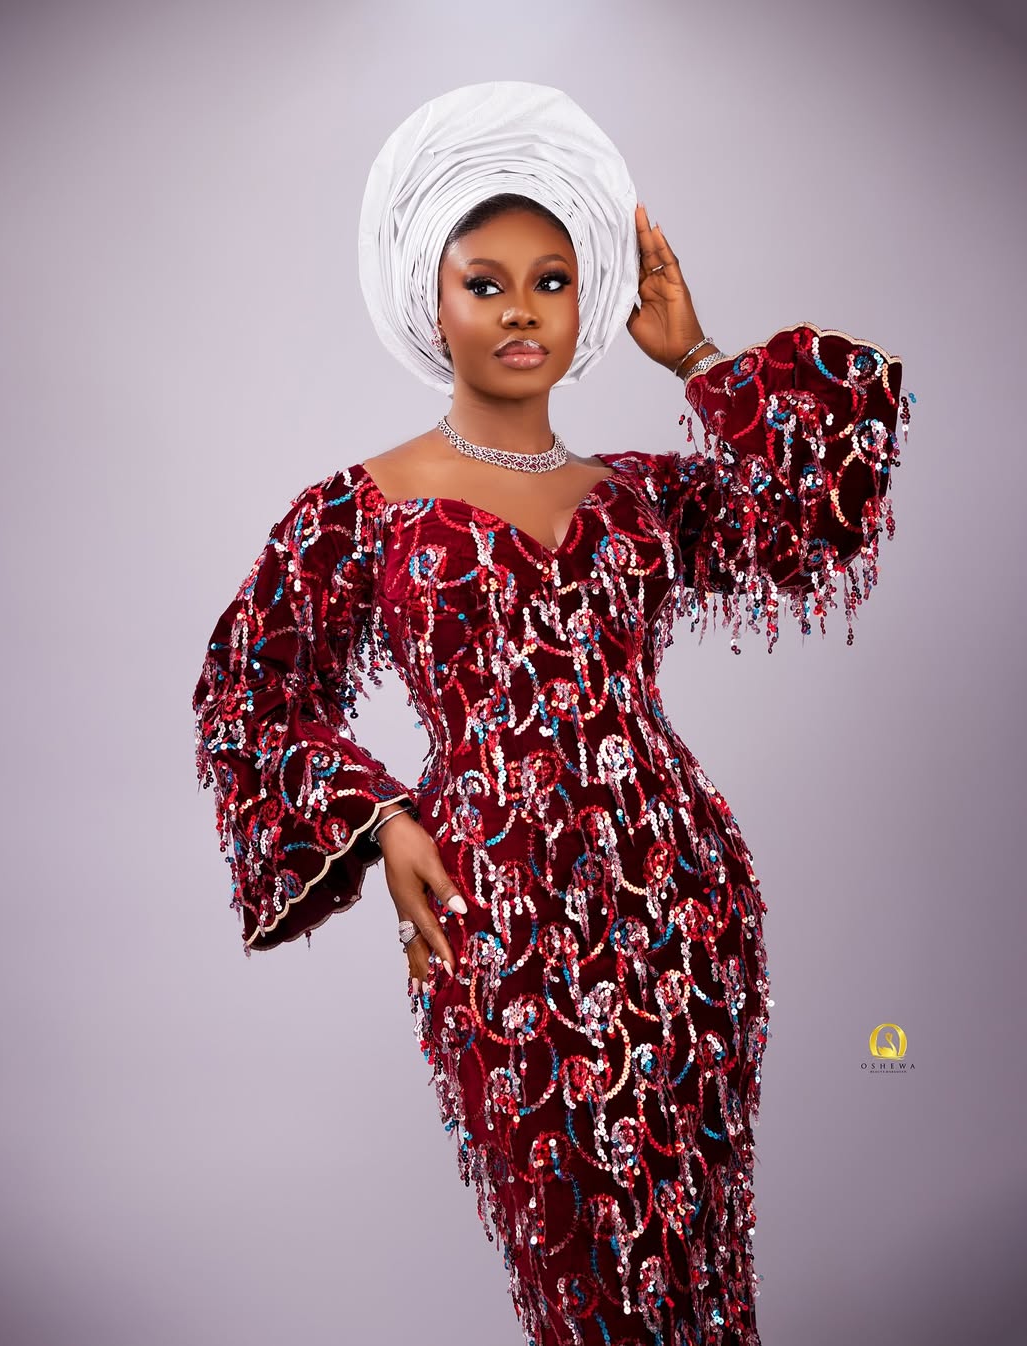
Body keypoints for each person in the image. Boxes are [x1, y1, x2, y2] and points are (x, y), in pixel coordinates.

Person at [191, 82, 910, 1346]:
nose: (521, 309)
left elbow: (815, 508)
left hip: (681, 902)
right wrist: (383, 817)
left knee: (698, 1252)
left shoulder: (637, 495)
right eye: (486, 283)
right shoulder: (359, 511)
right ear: (432, 299)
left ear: (587, 303)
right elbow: (250, 691)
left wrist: (696, 355)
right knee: (583, 1265)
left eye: (552, 280)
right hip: (501, 912)